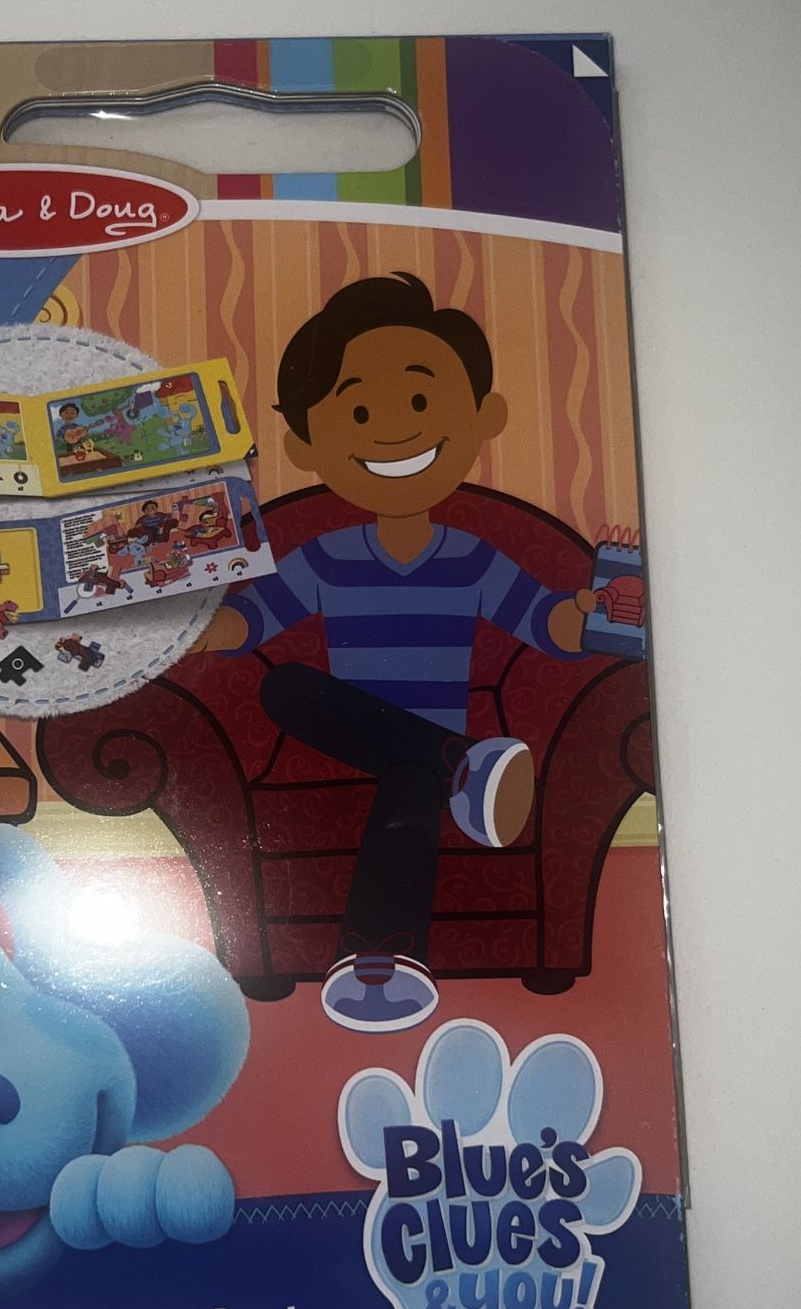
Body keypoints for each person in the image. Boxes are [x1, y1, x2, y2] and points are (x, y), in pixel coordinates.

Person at [193, 272, 597, 1034]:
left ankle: (379, 960)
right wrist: (194, 619)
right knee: (286, 689)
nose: (392, 432)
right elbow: (253, 622)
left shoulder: (472, 559)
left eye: (419, 402)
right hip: (349, 730)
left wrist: (589, 613)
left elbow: (545, 624)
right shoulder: (328, 556)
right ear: (307, 445)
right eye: (358, 411)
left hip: (410, 753)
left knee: (410, 782)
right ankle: (462, 766)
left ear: (483, 417)